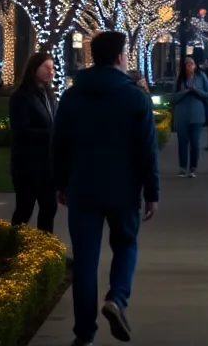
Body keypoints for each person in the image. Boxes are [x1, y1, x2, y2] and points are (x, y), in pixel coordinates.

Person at [52, 31, 159, 345]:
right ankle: (117, 297)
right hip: (123, 188)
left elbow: (59, 144)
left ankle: (84, 333)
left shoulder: (72, 96)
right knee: (125, 245)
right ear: (119, 57)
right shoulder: (135, 97)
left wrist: (61, 182)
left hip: (82, 187)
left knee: (85, 261)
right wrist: (151, 192)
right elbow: (147, 149)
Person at [9, 52, 58, 231]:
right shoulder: (21, 97)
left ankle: (44, 244)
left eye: (52, 68)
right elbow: (21, 130)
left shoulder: (49, 94)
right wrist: (52, 134)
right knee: (25, 208)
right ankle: (14, 241)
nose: (51, 71)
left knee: (49, 208)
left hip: (47, 165)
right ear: (34, 68)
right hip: (27, 165)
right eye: (46, 67)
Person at [173, 57, 208, 177]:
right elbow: (173, 98)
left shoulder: (201, 76)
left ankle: (193, 168)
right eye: (187, 64)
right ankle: (182, 167)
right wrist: (185, 92)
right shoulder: (180, 79)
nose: (189, 66)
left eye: (192, 63)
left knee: (195, 141)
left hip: (197, 115)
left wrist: (196, 90)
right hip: (182, 116)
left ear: (195, 65)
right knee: (182, 142)